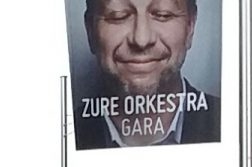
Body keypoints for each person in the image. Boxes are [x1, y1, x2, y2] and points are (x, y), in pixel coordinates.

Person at [73, 0, 221, 149]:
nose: (141, 40)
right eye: (119, 16)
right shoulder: (63, 135)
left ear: (190, 27)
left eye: (163, 14)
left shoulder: (231, 122)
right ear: (90, 30)